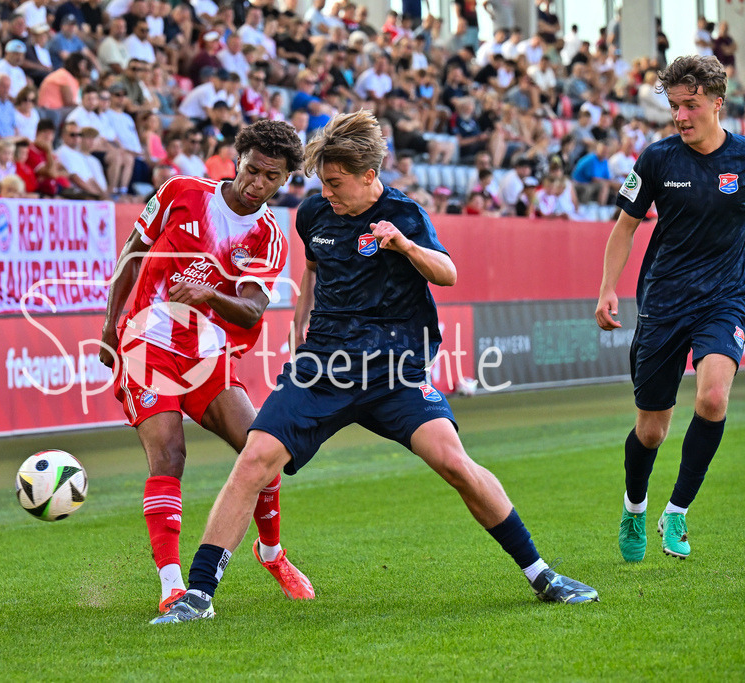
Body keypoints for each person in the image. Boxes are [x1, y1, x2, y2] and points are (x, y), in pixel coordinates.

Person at [153, 110, 599, 624]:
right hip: (323, 367)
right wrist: (302, 323)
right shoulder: (314, 215)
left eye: (338, 183)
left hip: (394, 372)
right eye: (322, 182)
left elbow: (449, 273)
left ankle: (542, 574)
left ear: (370, 176)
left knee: (454, 462)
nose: (328, 193)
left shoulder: (404, 215)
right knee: (254, 458)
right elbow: (314, 269)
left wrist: (406, 246)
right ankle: (200, 595)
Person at [100, 119, 315, 615]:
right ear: (238, 158)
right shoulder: (180, 191)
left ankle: (272, 553)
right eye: (252, 168)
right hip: (146, 343)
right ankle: (172, 584)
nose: (256, 182)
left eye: (271, 176)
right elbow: (131, 255)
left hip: (206, 355)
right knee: (170, 455)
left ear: (284, 181)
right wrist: (111, 327)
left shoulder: (268, 236)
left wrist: (208, 295)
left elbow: (253, 311)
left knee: (261, 449)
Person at [595, 55, 745, 563]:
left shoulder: (743, 160)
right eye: (674, 106)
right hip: (663, 304)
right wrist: (607, 288)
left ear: (717, 103)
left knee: (714, 399)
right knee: (651, 429)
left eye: (691, 106)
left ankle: (676, 511)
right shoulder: (657, 160)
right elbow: (625, 227)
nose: (680, 117)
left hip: (724, 300)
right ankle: (635, 506)